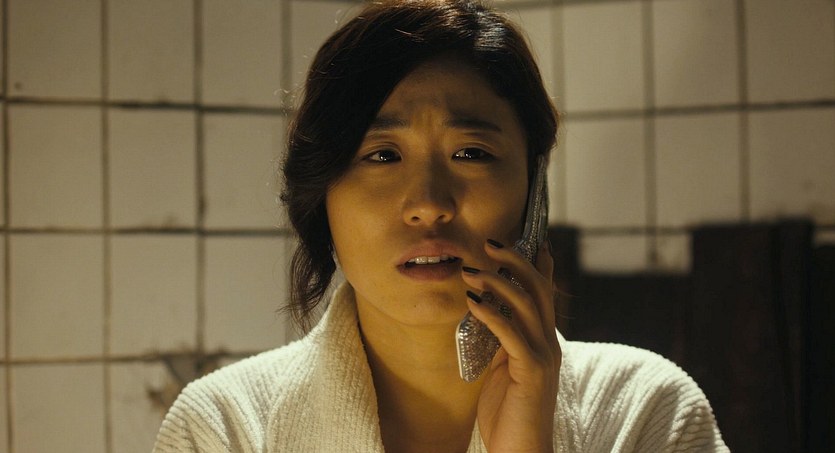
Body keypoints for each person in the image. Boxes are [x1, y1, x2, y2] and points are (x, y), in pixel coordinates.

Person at [154, 1, 728, 451]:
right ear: (321, 193)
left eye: (471, 153)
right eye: (382, 156)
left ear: (534, 187)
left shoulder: (646, 414)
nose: (428, 204)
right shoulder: (225, 428)